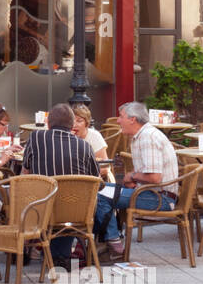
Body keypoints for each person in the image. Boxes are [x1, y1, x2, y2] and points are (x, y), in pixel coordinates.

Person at [95, 101, 181, 258]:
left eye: (121, 117)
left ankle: (114, 245)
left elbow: (155, 177)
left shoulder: (148, 137)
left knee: (99, 196)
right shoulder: (143, 135)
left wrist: (132, 176)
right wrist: (135, 178)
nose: (118, 121)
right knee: (96, 188)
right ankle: (106, 241)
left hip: (159, 199)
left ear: (132, 119)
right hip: (151, 193)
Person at [20, 103, 100, 268]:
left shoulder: (36, 138)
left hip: (42, 208)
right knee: (69, 201)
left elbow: (25, 171)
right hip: (77, 212)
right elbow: (95, 179)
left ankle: (32, 248)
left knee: (30, 193)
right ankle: (60, 256)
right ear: (72, 125)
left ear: (48, 123)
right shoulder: (85, 146)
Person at [72, 103, 114, 183]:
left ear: (86, 123)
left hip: (91, 181)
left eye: (79, 121)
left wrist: (83, 175)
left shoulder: (94, 136)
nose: (74, 125)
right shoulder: (66, 137)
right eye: (71, 121)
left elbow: (104, 168)